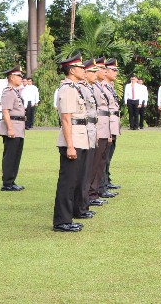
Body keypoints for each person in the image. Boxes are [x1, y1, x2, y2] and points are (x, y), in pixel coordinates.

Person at [53, 53, 87, 232]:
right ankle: (61, 221)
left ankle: (67, 218)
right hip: (72, 139)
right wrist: (70, 145)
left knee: (73, 180)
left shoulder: (74, 88)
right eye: (81, 67)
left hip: (79, 137)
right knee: (67, 182)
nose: (84, 70)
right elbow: (66, 119)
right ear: (72, 70)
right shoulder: (67, 89)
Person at [74, 59, 99, 220]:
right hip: (83, 131)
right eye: (93, 71)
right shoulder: (80, 89)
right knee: (82, 173)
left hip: (90, 130)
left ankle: (83, 205)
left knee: (88, 170)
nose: (95, 75)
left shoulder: (88, 88)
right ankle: (80, 206)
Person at [0, 66, 27, 191]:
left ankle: (11, 180)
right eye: (18, 76)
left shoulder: (15, 91)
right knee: (10, 156)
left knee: (16, 155)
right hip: (13, 126)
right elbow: (5, 111)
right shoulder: (9, 91)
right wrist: (9, 128)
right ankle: (7, 183)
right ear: (11, 77)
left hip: (18, 127)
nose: (21, 78)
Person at [89, 58, 113, 207]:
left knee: (101, 162)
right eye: (101, 68)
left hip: (104, 128)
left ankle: (95, 192)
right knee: (95, 164)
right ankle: (92, 193)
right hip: (97, 129)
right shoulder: (95, 88)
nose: (105, 71)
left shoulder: (99, 87)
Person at [101, 58, 122, 193]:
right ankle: (102, 184)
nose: (116, 73)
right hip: (106, 126)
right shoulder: (102, 86)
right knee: (104, 157)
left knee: (109, 156)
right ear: (106, 71)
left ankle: (106, 180)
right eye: (113, 70)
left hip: (113, 125)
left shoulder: (110, 86)